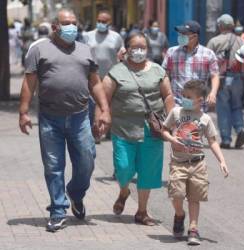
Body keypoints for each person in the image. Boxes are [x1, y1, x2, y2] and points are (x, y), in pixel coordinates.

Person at [19, 9, 111, 232]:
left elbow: (95, 83)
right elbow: (29, 82)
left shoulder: (85, 50)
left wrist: (104, 108)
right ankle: (58, 210)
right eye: (65, 23)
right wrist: (23, 112)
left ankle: (76, 193)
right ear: (54, 27)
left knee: (87, 161)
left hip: (80, 117)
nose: (71, 27)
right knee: (53, 166)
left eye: (73, 23)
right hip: (50, 119)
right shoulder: (38, 50)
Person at [100, 32, 174, 225]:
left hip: (153, 130)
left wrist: (172, 119)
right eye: (135, 47)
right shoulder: (116, 71)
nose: (139, 51)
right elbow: (104, 97)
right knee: (123, 168)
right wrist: (102, 117)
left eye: (143, 47)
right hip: (124, 129)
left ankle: (142, 212)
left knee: (147, 172)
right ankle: (124, 191)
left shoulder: (158, 70)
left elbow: (167, 96)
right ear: (126, 49)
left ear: (148, 50)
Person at [162, 80, 229, 245]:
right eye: (183, 95)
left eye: (189, 97)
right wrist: (172, 139)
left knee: (194, 197)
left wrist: (222, 160)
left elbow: (212, 141)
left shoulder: (205, 118)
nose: (184, 99)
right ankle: (179, 214)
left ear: (200, 100)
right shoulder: (176, 112)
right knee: (176, 194)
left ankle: (193, 228)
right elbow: (164, 130)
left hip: (198, 164)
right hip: (178, 162)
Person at [84, 10, 125, 141]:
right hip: (92, 75)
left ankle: (107, 130)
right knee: (93, 103)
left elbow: (122, 54)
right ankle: (94, 130)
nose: (101, 23)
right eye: (99, 21)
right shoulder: (87, 36)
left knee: (108, 104)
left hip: (110, 76)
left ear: (109, 22)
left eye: (104, 21)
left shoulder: (116, 37)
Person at [207, 14, 244, 149]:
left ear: (220, 26)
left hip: (221, 79)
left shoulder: (214, 41)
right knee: (236, 106)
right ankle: (240, 128)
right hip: (238, 78)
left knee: (223, 109)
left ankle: (226, 139)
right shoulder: (241, 41)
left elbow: (207, 61)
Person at [162, 20, 220, 108]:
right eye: (180, 34)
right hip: (177, 104)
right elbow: (164, 75)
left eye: (184, 34)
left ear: (195, 36)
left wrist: (213, 93)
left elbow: (215, 75)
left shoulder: (208, 54)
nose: (181, 36)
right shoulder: (172, 52)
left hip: (199, 105)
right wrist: (166, 95)